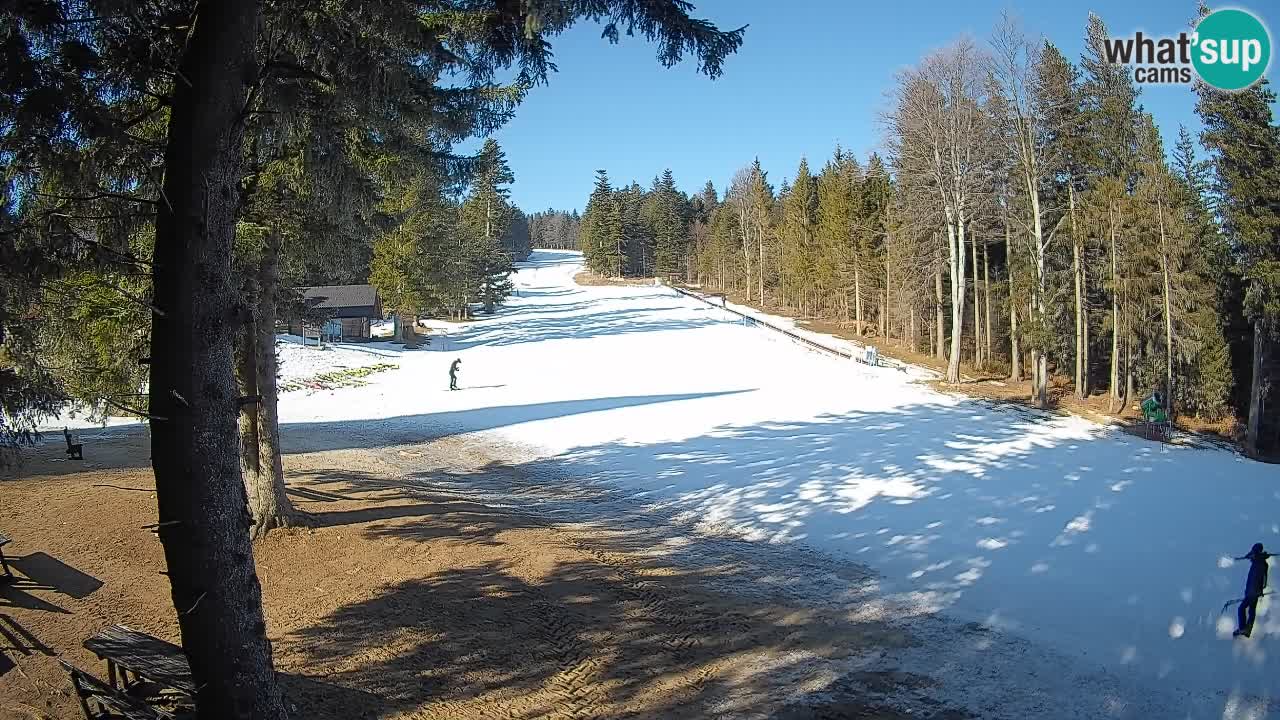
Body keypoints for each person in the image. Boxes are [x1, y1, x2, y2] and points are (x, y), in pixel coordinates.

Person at [1235, 542, 1273, 638]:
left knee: (1241, 608)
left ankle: (1243, 628)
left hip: (1252, 591)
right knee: (1251, 610)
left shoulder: (1258, 562)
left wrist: (1259, 555)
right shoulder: (1262, 563)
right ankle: (1247, 629)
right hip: (1255, 591)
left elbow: (1251, 556)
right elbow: (1264, 581)